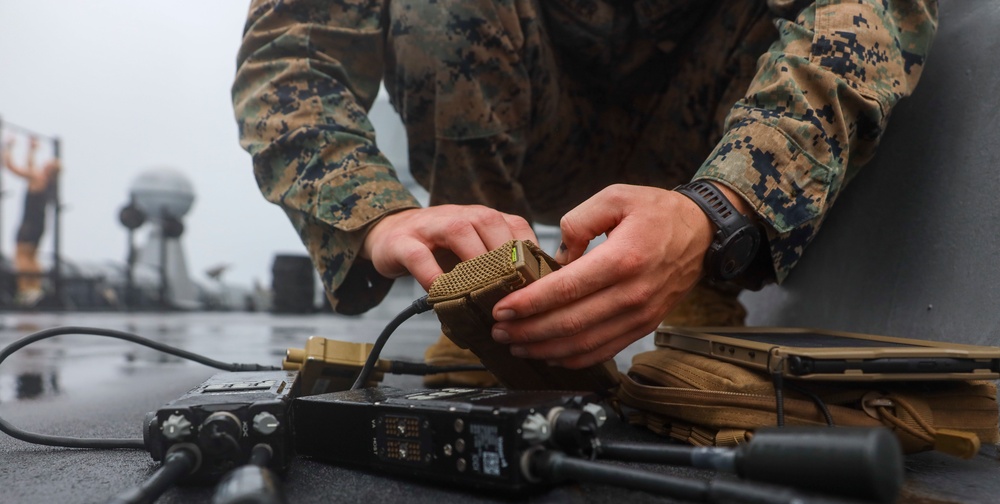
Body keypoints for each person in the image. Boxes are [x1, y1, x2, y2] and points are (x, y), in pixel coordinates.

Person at [232, 0, 937, 371]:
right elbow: (294, 50)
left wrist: (722, 211)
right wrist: (376, 217)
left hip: (711, 139)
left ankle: (702, 285)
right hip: (528, 128)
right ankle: (484, 291)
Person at [3, 136, 60, 307]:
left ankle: (26, 290)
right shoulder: (47, 182)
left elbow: (11, 167)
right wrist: (32, 149)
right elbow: (30, 167)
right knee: (32, 256)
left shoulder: (38, 178)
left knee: (21, 256)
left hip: (29, 223)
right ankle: (34, 288)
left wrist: (8, 147)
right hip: (38, 224)